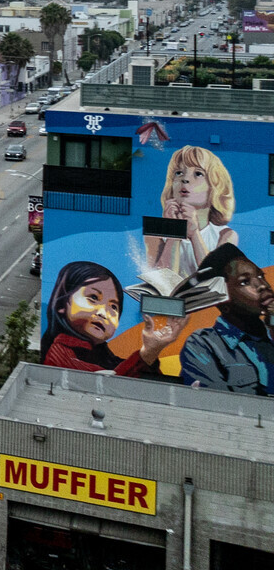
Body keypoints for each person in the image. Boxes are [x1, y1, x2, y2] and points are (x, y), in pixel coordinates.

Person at [41, 261, 180, 375]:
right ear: (62, 304)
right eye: (93, 298)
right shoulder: (59, 355)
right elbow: (110, 384)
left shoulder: (109, 358)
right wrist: (148, 353)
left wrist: (151, 354)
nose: (103, 313)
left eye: (113, 307)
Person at [178, 245, 274, 394]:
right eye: (245, 282)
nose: (262, 286)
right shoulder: (203, 345)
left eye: (260, 276)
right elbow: (219, 406)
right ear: (224, 304)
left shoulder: (270, 333)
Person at [146, 146, 239, 276]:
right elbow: (162, 280)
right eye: (178, 173)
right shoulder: (154, 233)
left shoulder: (226, 235)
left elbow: (214, 277)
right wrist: (174, 231)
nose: (185, 179)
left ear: (214, 188)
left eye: (198, 174)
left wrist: (194, 234)